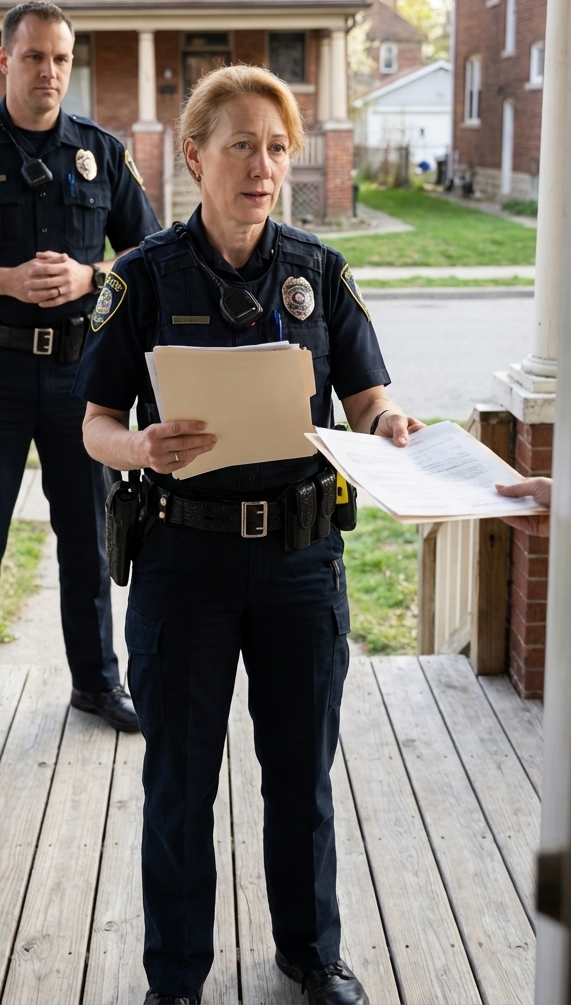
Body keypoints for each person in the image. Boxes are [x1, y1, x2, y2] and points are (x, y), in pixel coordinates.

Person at [76, 64, 423, 1005]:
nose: (262, 166)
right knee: (181, 784)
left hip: (300, 563)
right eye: (241, 145)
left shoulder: (317, 271)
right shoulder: (140, 277)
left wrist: (388, 423)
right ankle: (176, 978)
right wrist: (139, 446)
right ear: (194, 157)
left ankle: (311, 954)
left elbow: (369, 394)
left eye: (276, 148)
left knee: (299, 777)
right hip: (183, 562)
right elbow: (93, 421)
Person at [0, 0, 160, 766]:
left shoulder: (101, 154)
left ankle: (95, 683)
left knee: (88, 539)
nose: (49, 72)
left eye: (61, 59)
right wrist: (4, 280)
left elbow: (147, 258)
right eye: (35, 56)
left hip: (82, 377)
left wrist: (88, 275)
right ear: (4, 61)